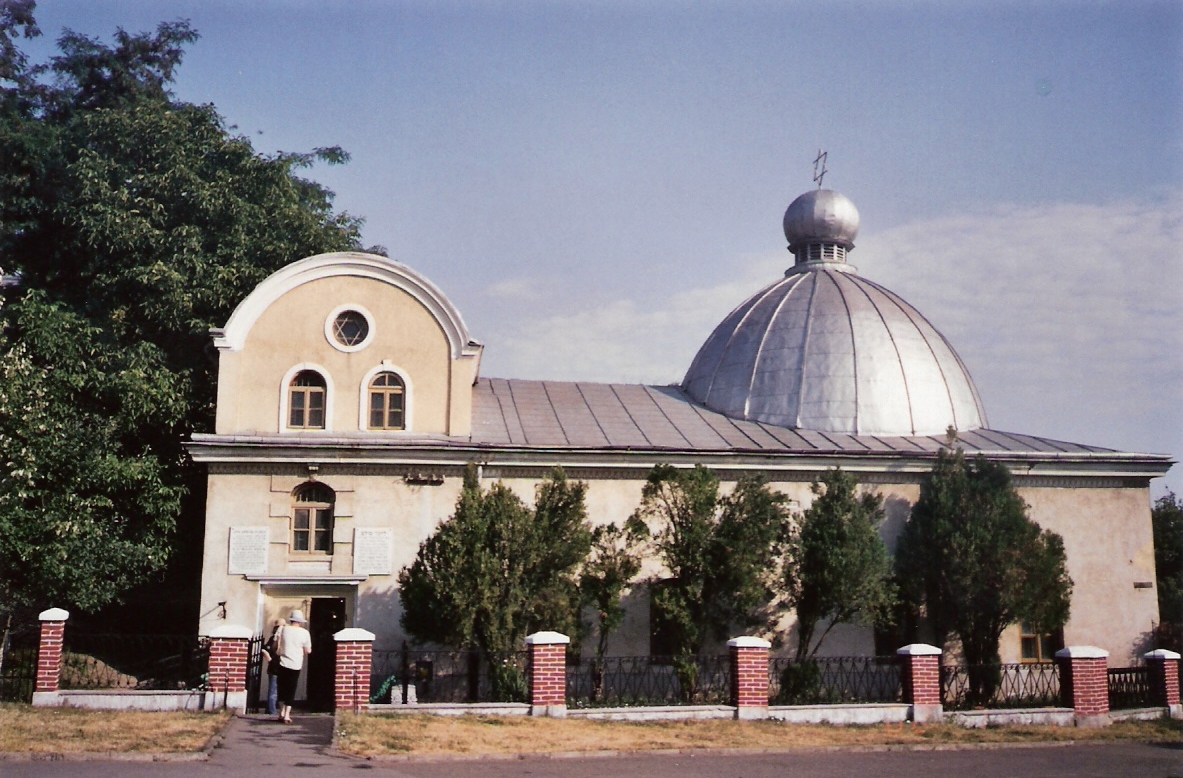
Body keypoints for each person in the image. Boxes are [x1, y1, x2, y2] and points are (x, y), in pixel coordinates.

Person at [275, 609, 312, 724]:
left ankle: (281, 712)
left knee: (281, 688)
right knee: (291, 689)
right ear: (300, 622)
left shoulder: (282, 629)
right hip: (295, 664)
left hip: (282, 662)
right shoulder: (305, 633)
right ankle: (287, 714)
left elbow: (275, 644)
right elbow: (308, 651)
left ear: (291, 620)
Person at [259, 620, 282, 716]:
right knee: (273, 691)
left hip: (283, 667)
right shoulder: (273, 639)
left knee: (277, 690)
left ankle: (270, 709)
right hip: (274, 668)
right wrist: (269, 659)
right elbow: (264, 649)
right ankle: (272, 712)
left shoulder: (285, 639)